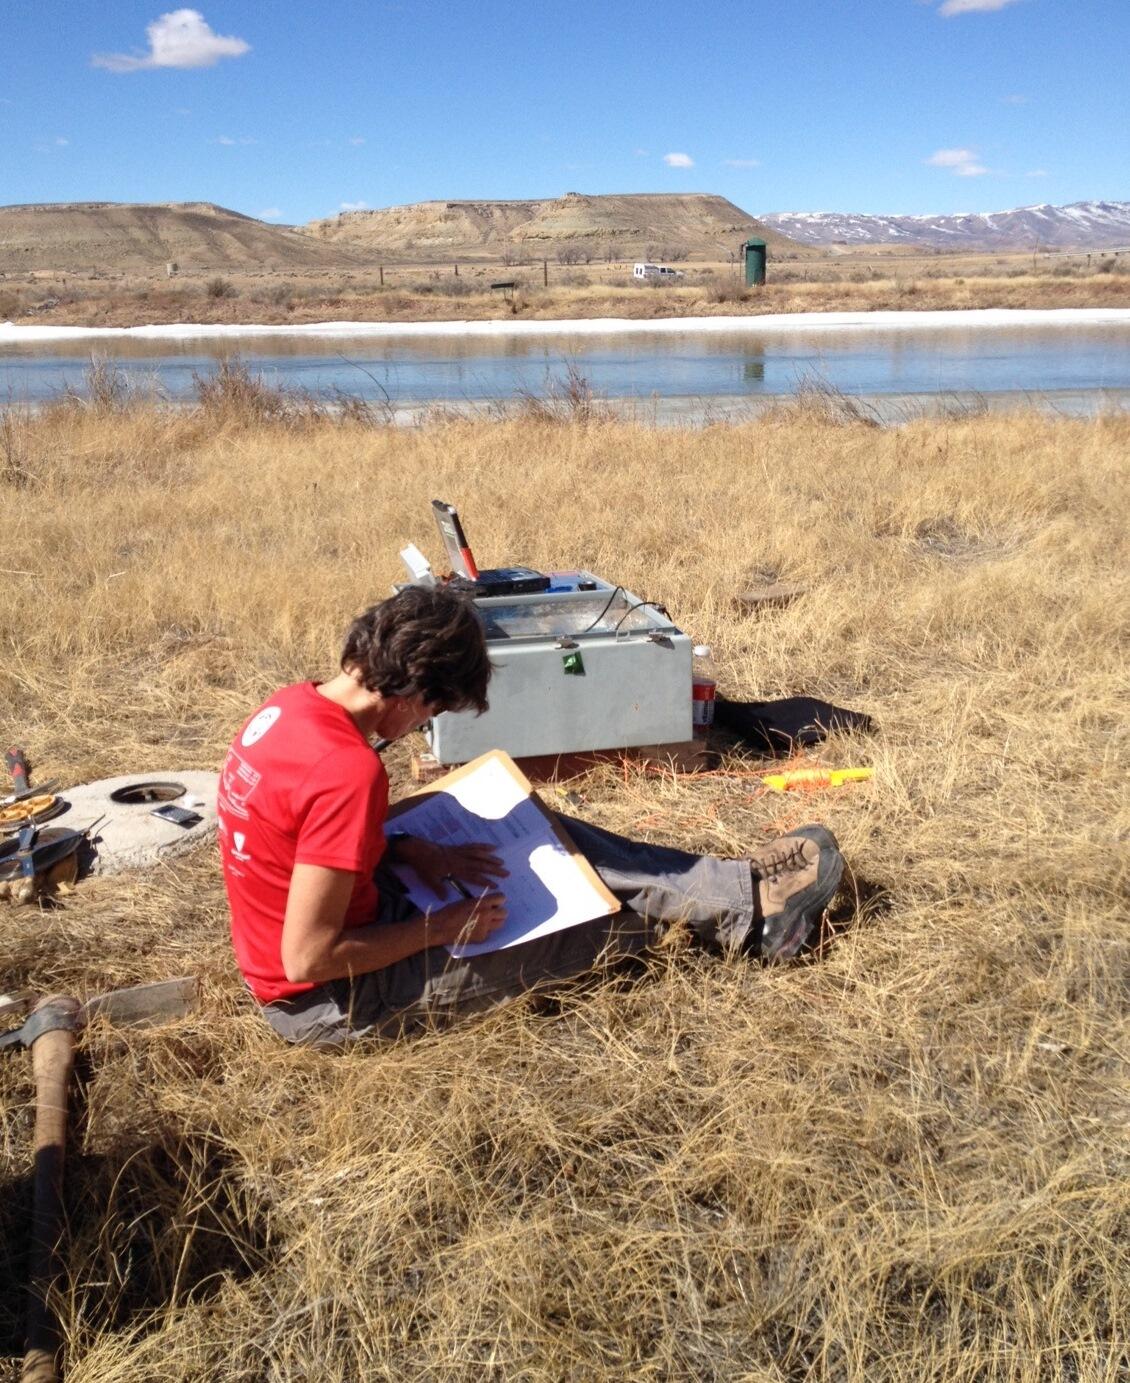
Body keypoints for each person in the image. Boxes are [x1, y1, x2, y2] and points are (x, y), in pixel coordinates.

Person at [218, 586, 846, 1047]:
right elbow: (307, 959)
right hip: (334, 1000)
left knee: (545, 838)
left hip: (357, 912)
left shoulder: (290, 709)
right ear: (412, 696)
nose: (421, 730)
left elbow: (297, 834)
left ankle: (737, 891)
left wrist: (415, 851)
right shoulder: (345, 769)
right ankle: (756, 918)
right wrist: (442, 928)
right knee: (601, 916)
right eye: (432, 713)